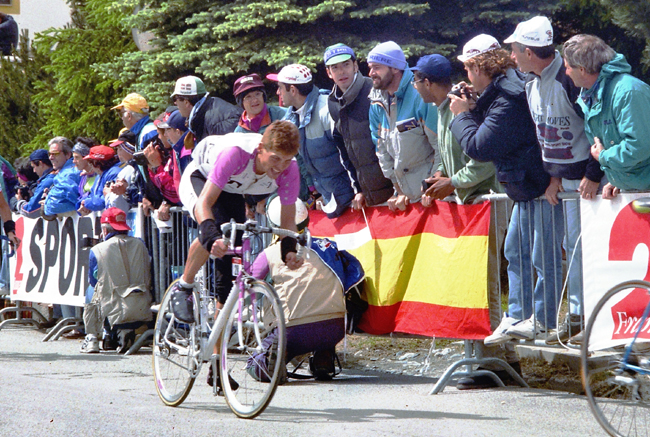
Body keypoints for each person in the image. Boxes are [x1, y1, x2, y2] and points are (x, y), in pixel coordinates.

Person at [449, 35, 559, 349]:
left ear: (479, 67)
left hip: (539, 185)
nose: (467, 77)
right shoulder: (501, 92)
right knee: (516, 253)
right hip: (524, 186)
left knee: (543, 256)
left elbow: (479, 146)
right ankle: (519, 317)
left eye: (468, 69)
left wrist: (461, 115)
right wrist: (475, 106)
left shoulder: (509, 97)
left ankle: (542, 320)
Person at [506, 17, 607, 344]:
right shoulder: (531, 84)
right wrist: (552, 178)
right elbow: (546, 140)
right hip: (563, 184)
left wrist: (593, 174)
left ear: (527, 51)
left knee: (580, 251)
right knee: (552, 252)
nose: (511, 57)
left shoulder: (568, 80)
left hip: (589, 182)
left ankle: (581, 317)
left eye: (514, 50)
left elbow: (598, 129)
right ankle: (563, 317)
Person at [171, 121, 302, 324]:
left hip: (234, 188)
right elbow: (203, 203)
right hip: (202, 176)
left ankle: (216, 347)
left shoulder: (290, 169)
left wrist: (289, 249)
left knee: (231, 252)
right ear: (261, 149)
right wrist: (210, 235)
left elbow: (287, 220)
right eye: (275, 158)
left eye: (287, 160)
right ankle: (184, 286)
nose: (280, 167)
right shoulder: (237, 154)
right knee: (216, 232)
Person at [248, 195, 359, 381]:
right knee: (320, 300)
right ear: (307, 219)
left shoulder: (270, 253)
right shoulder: (327, 246)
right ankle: (323, 358)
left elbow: (248, 283)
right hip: (336, 327)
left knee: (253, 364)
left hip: (294, 330)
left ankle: (271, 363)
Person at [563, 34, 650, 199]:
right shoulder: (592, 95)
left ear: (581, 69)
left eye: (568, 67)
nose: (566, 73)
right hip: (637, 191)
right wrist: (620, 180)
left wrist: (603, 157)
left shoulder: (629, 92)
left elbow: (640, 147)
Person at [268, 64, 354, 218]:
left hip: (352, 198)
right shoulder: (290, 119)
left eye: (280, 87)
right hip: (330, 198)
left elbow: (352, 153)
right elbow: (300, 158)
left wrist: (359, 191)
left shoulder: (327, 110)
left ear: (293, 90)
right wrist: (313, 189)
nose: (277, 92)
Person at [367, 41, 439, 210]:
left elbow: (440, 146)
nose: (371, 73)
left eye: (377, 67)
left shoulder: (420, 95)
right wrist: (399, 190)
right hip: (406, 200)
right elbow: (381, 151)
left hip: (432, 198)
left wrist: (432, 188)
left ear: (394, 68)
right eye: (370, 67)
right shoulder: (376, 102)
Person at [324, 43, 393, 209]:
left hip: (395, 191)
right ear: (329, 73)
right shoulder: (333, 102)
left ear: (355, 66)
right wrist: (359, 189)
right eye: (335, 68)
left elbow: (394, 143)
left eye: (346, 65)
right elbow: (346, 150)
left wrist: (399, 189)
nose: (341, 72)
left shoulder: (375, 90)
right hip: (368, 195)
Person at [80, 207, 152, 354]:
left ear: (105, 230)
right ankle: (118, 334)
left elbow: (93, 280)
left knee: (91, 289)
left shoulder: (98, 249)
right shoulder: (140, 244)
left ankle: (92, 337)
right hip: (142, 305)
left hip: (114, 305)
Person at [171, 75, 242, 144]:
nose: (175, 103)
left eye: (175, 98)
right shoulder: (203, 114)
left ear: (186, 102)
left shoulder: (216, 122)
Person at [43, 137, 82, 218]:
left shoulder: (66, 175)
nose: (50, 157)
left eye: (55, 153)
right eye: (49, 154)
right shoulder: (67, 171)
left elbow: (52, 207)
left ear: (68, 154)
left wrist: (46, 203)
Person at [77, 145, 121, 215]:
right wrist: (81, 203)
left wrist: (86, 203)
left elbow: (102, 201)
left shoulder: (113, 173)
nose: (90, 165)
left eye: (90, 162)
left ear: (97, 163)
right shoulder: (99, 175)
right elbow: (92, 195)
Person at [105, 130, 142, 213]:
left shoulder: (127, 171)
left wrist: (108, 195)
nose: (118, 152)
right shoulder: (132, 168)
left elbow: (117, 204)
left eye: (119, 148)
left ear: (128, 149)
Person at [16, 149, 55, 218]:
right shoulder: (57, 175)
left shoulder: (47, 182)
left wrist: (19, 202)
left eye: (34, 167)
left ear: (41, 164)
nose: (34, 171)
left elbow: (30, 210)